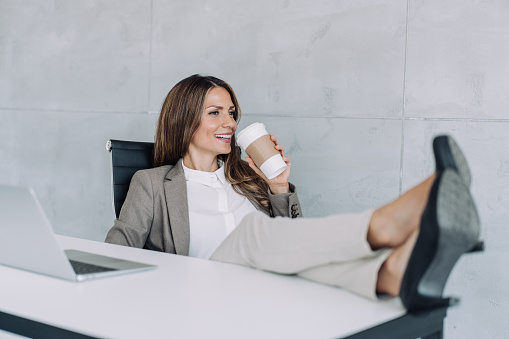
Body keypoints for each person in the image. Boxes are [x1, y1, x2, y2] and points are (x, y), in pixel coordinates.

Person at [106, 74, 482, 312]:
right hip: (205, 295)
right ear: (183, 119)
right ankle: (393, 220)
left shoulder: (244, 178)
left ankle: (392, 273)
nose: (230, 123)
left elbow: (294, 241)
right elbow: (113, 252)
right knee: (252, 233)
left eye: (232, 112)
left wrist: (279, 186)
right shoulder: (152, 183)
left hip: (263, 289)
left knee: (304, 260)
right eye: (215, 113)